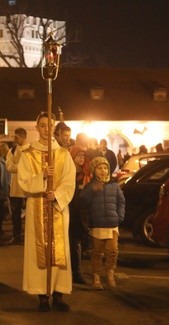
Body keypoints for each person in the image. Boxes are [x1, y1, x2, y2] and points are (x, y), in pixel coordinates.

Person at [17, 112, 75, 312]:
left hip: (57, 207)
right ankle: (42, 294)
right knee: (39, 251)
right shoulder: (28, 153)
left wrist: (57, 195)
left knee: (59, 251)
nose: (46, 129)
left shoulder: (63, 154)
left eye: (50, 125)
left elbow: (69, 180)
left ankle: (58, 293)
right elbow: (23, 181)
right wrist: (42, 177)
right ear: (37, 127)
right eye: (42, 125)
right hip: (37, 205)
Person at [80, 157, 125, 290]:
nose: (103, 171)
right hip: (97, 225)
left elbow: (121, 201)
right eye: (100, 168)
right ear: (94, 170)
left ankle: (110, 273)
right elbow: (83, 203)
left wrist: (119, 216)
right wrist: (91, 190)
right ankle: (96, 276)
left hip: (112, 224)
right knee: (97, 253)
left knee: (112, 251)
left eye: (105, 168)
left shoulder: (114, 185)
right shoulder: (89, 186)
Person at [68, 146, 89, 284]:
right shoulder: (68, 172)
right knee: (72, 242)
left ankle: (76, 271)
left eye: (83, 156)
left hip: (82, 212)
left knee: (78, 243)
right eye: (79, 155)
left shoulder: (86, 174)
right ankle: (73, 271)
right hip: (70, 210)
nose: (82, 158)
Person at [5, 128, 29, 245]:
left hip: (28, 187)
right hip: (15, 187)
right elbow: (9, 166)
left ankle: (29, 235)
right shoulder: (12, 150)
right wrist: (22, 168)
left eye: (17, 137)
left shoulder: (30, 149)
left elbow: (31, 167)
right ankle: (17, 235)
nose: (15, 139)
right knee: (15, 214)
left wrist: (18, 167)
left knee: (30, 213)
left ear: (23, 137)